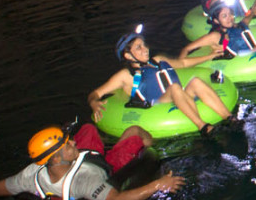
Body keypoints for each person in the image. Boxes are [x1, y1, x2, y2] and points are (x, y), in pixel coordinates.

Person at [0, 121, 184, 200]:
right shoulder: (85, 182)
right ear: (56, 157)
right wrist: (158, 185)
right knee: (135, 133)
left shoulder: (31, 174)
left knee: (88, 128)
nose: (72, 142)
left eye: (69, 140)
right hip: (104, 166)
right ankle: (147, 143)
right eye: (67, 144)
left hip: (83, 158)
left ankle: (96, 141)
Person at [89, 25, 233, 137]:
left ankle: (230, 118)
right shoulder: (125, 75)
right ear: (128, 55)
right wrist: (94, 102)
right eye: (138, 47)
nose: (145, 49)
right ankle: (203, 127)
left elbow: (182, 64)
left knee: (196, 82)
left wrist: (209, 56)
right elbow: (95, 93)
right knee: (175, 88)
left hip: (179, 96)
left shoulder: (158, 60)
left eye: (144, 45)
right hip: (159, 105)